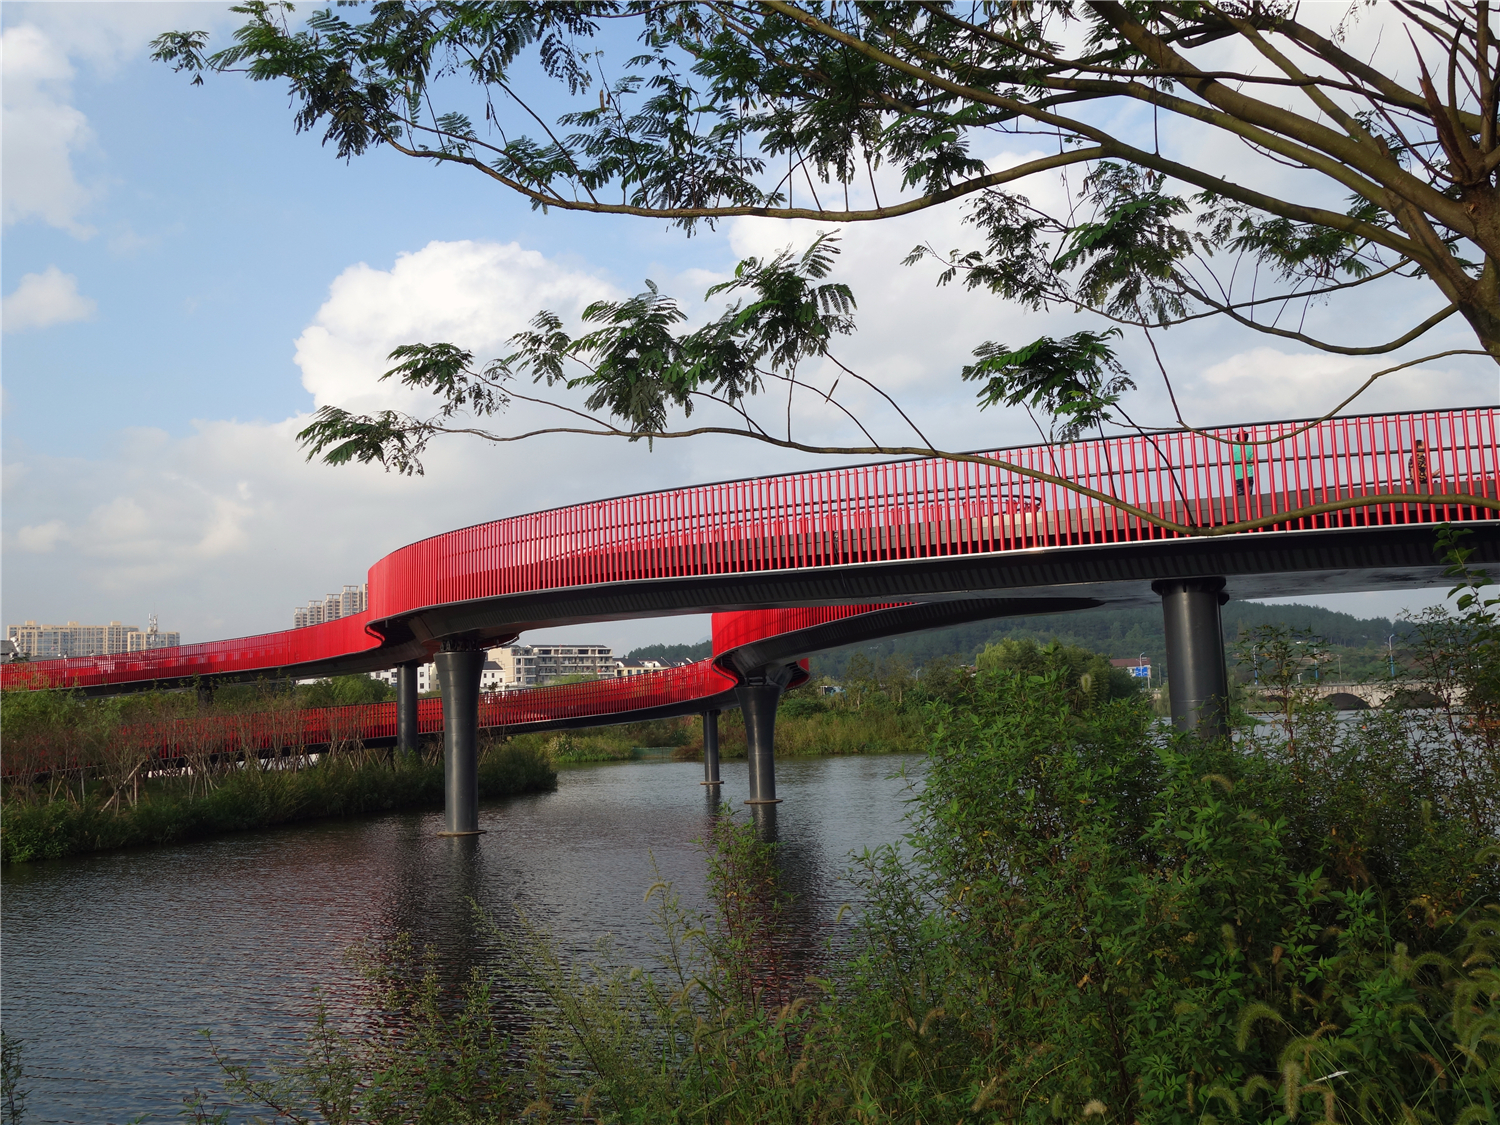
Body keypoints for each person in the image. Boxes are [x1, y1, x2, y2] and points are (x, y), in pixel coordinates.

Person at [1233, 431, 1255, 497]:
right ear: (1247, 439)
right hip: (1249, 475)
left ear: (1236, 438)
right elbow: (1252, 463)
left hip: (1239, 476)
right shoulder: (1250, 448)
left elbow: (1232, 459)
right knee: (1249, 497)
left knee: (1240, 499)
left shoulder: (1233, 449)